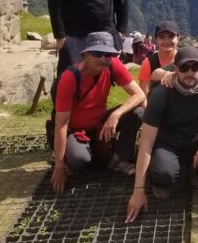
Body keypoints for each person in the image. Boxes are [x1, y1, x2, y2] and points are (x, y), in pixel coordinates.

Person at [125, 46, 198, 221]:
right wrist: (138, 191)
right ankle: (172, 173)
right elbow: (145, 144)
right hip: (168, 142)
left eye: (195, 67)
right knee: (164, 175)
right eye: (184, 68)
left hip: (196, 135)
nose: (190, 73)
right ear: (175, 69)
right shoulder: (161, 93)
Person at [51, 32, 145, 194]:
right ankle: (74, 156)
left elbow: (140, 95)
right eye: (97, 53)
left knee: (138, 110)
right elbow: (61, 123)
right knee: (80, 160)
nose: (103, 58)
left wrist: (116, 115)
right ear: (86, 54)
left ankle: (118, 159)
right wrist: (59, 167)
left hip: (101, 122)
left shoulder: (113, 65)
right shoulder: (70, 78)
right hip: (78, 129)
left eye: (108, 54)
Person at [138, 21, 180, 97]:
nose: (166, 41)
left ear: (178, 38)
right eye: (162, 37)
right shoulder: (149, 63)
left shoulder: (184, 59)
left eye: (171, 36)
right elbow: (144, 95)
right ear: (156, 39)